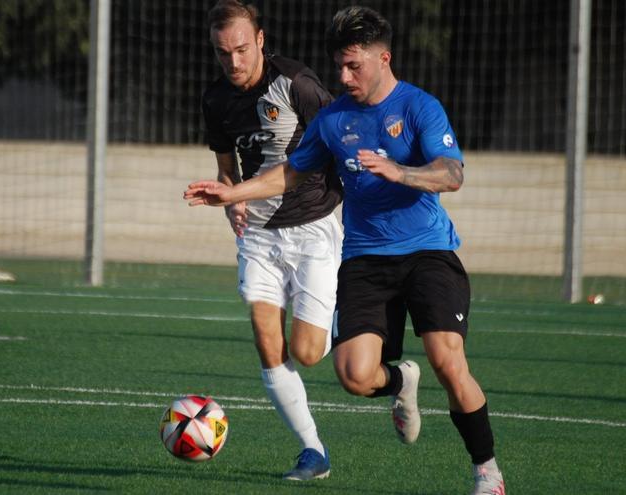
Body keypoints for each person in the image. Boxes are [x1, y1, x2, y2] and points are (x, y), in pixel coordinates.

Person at [185, 6, 505, 494]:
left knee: (447, 359)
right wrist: (231, 194)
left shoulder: (418, 107)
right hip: (363, 258)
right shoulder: (334, 119)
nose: (343, 75)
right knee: (354, 376)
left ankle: (486, 472)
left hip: (426, 251)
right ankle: (400, 383)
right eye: (339, 65)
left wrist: (404, 173)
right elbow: (293, 171)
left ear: (384, 59)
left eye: (353, 65)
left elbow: (452, 173)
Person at [200, 0, 342, 481]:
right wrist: (232, 199)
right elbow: (226, 167)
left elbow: (335, 143)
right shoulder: (216, 99)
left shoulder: (297, 84)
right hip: (258, 234)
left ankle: (355, 322)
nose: (234, 62)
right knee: (266, 339)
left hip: (314, 225)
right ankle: (313, 451)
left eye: (241, 49)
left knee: (306, 351)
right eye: (223, 54)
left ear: (260, 40)